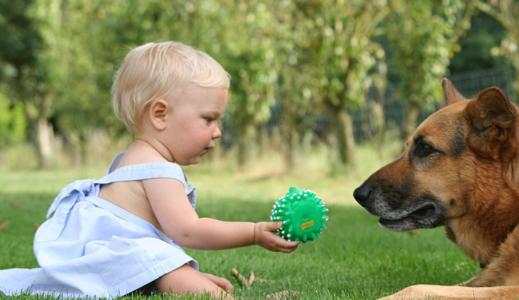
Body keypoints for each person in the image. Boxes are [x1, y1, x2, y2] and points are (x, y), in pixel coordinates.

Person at [0, 41, 299, 299]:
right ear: (160, 114)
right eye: (208, 119)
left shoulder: (130, 158)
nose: (217, 132)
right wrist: (255, 232)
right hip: (120, 256)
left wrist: (184, 272)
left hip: (107, 257)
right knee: (160, 262)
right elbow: (188, 231)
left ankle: (185, 281)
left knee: (164, 263)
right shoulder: (159, 169)